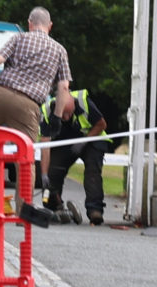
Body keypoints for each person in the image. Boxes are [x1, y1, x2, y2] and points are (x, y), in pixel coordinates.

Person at [0, 7, 72, 227]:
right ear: (50, 25)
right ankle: (23, 211)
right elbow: (64, 87)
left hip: (1, 94)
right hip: (28, 106)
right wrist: (56, 117)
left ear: (29, 23)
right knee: (25, 158)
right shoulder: (59, 50)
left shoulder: (18, 39)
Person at [39, 87, 110, 225]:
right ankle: (54, 207)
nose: (65, 117)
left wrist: (84, 141)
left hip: (91, 139)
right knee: (53, 172)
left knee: (92, 172)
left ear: (73, 104)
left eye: (68, 113)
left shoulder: (84, 102)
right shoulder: (47, 111)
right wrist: (44, 174)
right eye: (62, 114)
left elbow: (102, 124)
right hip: (66, 142)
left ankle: (95, 210)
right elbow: (45, 146)